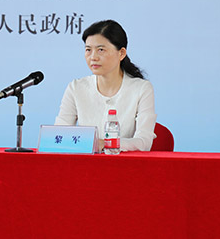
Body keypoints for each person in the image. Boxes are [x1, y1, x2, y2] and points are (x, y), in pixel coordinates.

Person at [55, 20, 157, 152]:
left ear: (121, 53)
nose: (93, 57)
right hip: (85, 163)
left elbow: (144, 142)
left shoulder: (141, 88)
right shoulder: (76, 88)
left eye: (101, 50)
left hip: (124, 162)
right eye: (88, 50)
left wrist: (106, 143)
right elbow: (59, 135)